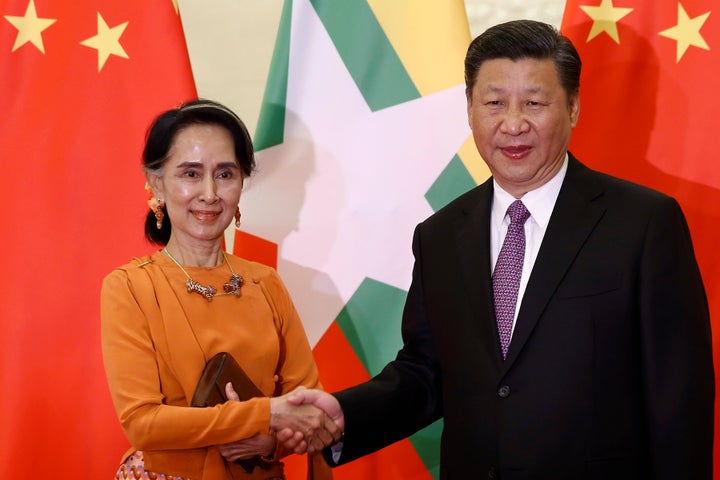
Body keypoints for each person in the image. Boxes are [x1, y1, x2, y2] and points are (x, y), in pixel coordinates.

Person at [280, 19, 715, 479]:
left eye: (534, 102)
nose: (513, 123)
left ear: (572, 107)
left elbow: (678, 397)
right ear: (470, 108)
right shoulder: (441, 235)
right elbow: (427, 373)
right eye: (494, 103)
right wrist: (342, 415)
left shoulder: (642, 223)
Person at [101, 99, 341, 480]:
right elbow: (143, 423)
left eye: (225, 174)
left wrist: (270, 441)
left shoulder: (266, 284)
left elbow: (310, 406)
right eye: (191, 174)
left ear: (242, 183)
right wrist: (264, 416)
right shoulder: (130, 287)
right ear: (157, 183)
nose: (210, 194)